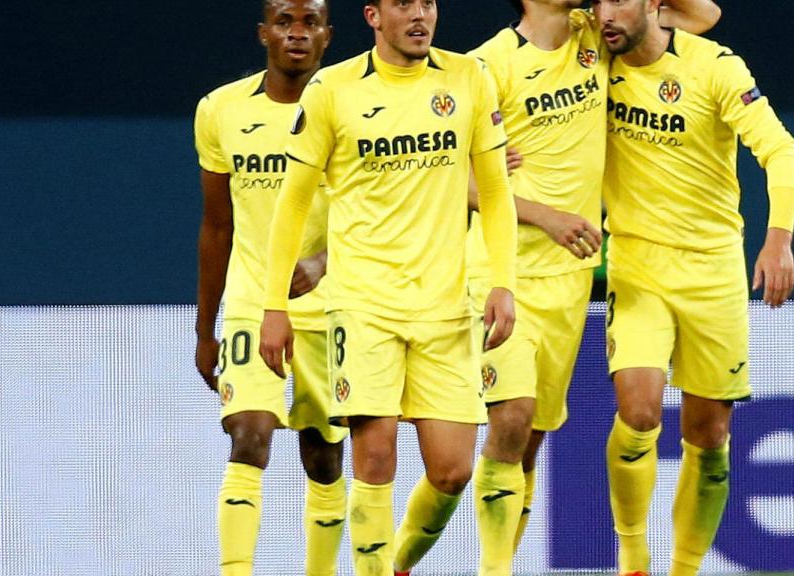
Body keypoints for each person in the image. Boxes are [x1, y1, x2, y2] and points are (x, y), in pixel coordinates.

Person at [257, 1, 519, 575]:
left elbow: (495, 192)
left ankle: (396, 562)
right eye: (403, 4)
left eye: (427, 3)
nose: (419, 15)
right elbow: (293, 201)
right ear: (374, 16)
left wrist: (504, 281)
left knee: (453, 471)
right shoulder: (333, 88)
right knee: (374, 459)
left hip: (446, 307)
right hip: (364, 304)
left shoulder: (468, 79)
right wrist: (273, 303)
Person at [459, 2, 719, 575]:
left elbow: (703, 15)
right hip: (500, 270)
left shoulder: (596, 39)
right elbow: (456, 180)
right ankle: (492, 569)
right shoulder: (486, 65)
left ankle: (498, 556)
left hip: (569, 279)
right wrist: (542, 213)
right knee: (509, 418)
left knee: (528, 437)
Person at [591, 0, 794, 574]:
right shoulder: (590, 60)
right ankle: (632, 553)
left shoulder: (716, 67)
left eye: (618, 0)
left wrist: (778, 238)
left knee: (709, 438)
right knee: (638, 412)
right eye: (598, 1)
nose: (604, 11)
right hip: (636, 263)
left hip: (713, 272)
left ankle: (684, 568)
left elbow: (780, 151)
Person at [193, 2, 346, 575]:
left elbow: (379, 212)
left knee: (323, 454)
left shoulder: (352, 106)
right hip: (252, 306)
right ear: (264, 33)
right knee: (250, 435)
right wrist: (205, 330)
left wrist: (326, 261)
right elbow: (216, 227)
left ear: (329, 35)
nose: (298, 33)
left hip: (330, 308)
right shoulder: (221, 110)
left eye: (311, 22)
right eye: (285, 21)